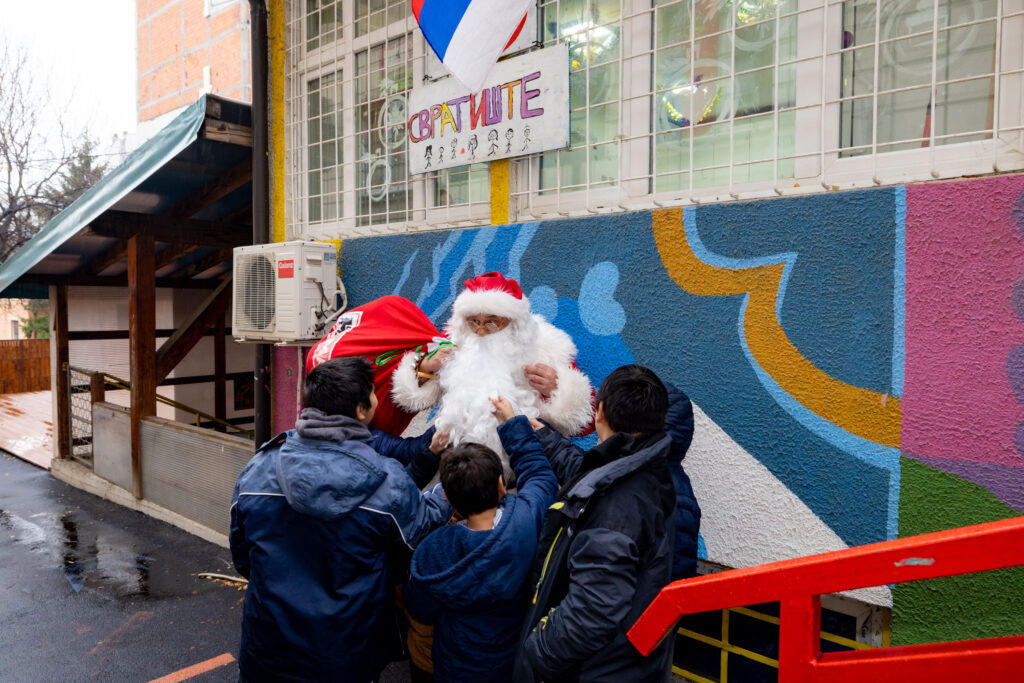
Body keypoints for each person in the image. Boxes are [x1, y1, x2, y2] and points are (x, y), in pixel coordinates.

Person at [229, 357, 452, 683]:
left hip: (267, 650)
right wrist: (449, 489)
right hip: (346, 655)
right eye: (375, 393)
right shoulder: (387, 479)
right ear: (362, 410)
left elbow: (243, 558)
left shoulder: (258, 468)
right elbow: (414, 540)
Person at [515, 365, 700, 682]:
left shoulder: (622, 501)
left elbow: (592, 611)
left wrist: (535, 654)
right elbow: (582, 468)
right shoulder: (652, 475)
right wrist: (543, 435)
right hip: (635, 656)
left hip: (600, 665)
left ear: (599, 413)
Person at [403, 397, 558, 683]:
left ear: (447, 497)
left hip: (457, 664)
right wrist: (512, 425)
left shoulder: (433, 553)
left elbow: (419, 606)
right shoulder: (526, 520)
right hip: (511, 658)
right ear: (501, 485)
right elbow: (540, 476)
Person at [391, 272, 594, 462]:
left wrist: (556, 389)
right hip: (458, 472)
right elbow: (408, 401)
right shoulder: (455, 342)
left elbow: (587, 423)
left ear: (512, 322)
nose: (480, 331)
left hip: (526, 475)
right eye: (473, 322)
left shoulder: (546, 347)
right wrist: (424, 367)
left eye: (491, 323)